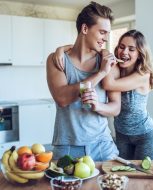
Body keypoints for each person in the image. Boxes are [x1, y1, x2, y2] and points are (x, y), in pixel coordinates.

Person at [53, 29, 153, 160]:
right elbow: (84, 47)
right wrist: (61, 49)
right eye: (121, 47)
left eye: (131, 49)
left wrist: (105, 53)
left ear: (140, 53)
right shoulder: (116, 68)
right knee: (123, 174)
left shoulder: (143, 75)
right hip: (121, 134)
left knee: (145, 177)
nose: (124, 52)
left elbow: (108, 84)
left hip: (144, 135)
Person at [46, 1, 121, 161]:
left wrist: (98, 106)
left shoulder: (108, 61)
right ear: (85, 28)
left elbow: (115, 108)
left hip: (103, 146)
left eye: (107, 33)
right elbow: (62, 99)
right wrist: (100, 73)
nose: (106, 39)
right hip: (67, 147)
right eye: (102, 32)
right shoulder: (57, 60)